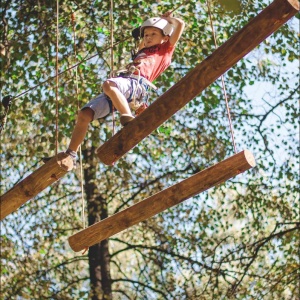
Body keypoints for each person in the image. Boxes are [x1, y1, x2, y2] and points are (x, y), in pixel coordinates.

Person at [44, 11, 185, 166]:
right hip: (123, 88)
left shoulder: (165, 51)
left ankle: (127, 116)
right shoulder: (142, 52)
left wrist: (166, 20)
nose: (148, 37)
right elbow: (141, 42)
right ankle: (71, 154)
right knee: (84, 114)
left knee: (109, 85)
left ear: (165, 37)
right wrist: (152, 27)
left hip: (136, 86)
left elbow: (180, 25)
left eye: (153, 34)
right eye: (146, 35)